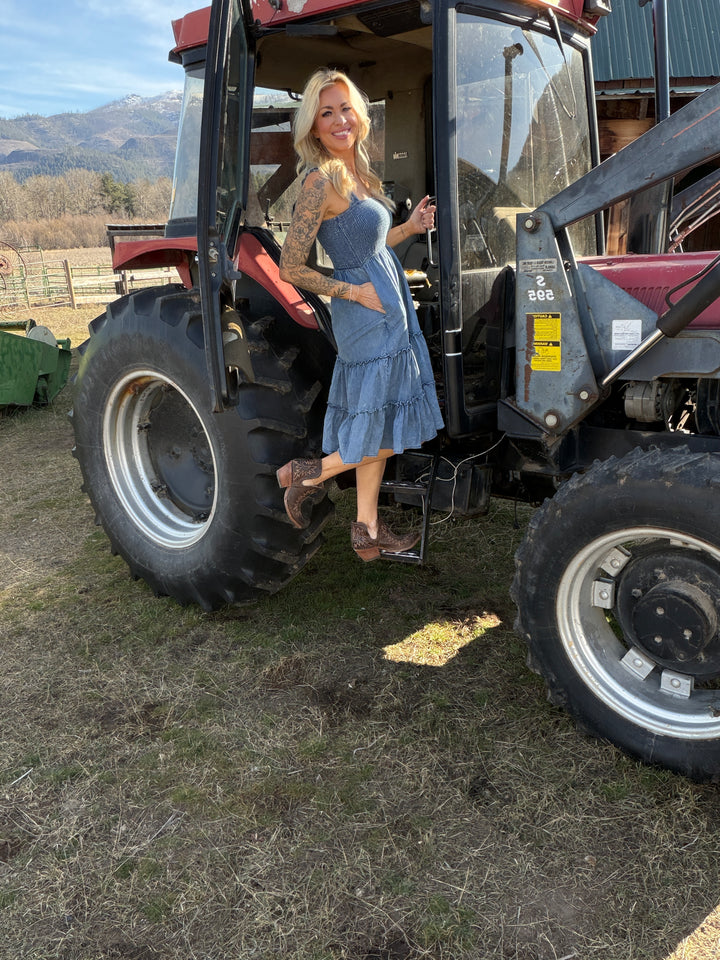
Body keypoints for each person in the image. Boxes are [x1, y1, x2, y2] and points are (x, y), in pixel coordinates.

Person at [277, 67, 444, 562]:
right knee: (386, 424)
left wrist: (409, 227)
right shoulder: (318, 181)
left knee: (381, 416)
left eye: (345, 108)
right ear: (313, 127)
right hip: (365, 314)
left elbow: (369, 246)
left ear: (359, 116)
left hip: (390, 308)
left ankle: (367, 529)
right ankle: (307, 475)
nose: (339, 120)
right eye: (326, 113)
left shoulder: (359, 175)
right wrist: (351, 292)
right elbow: (290, 266)